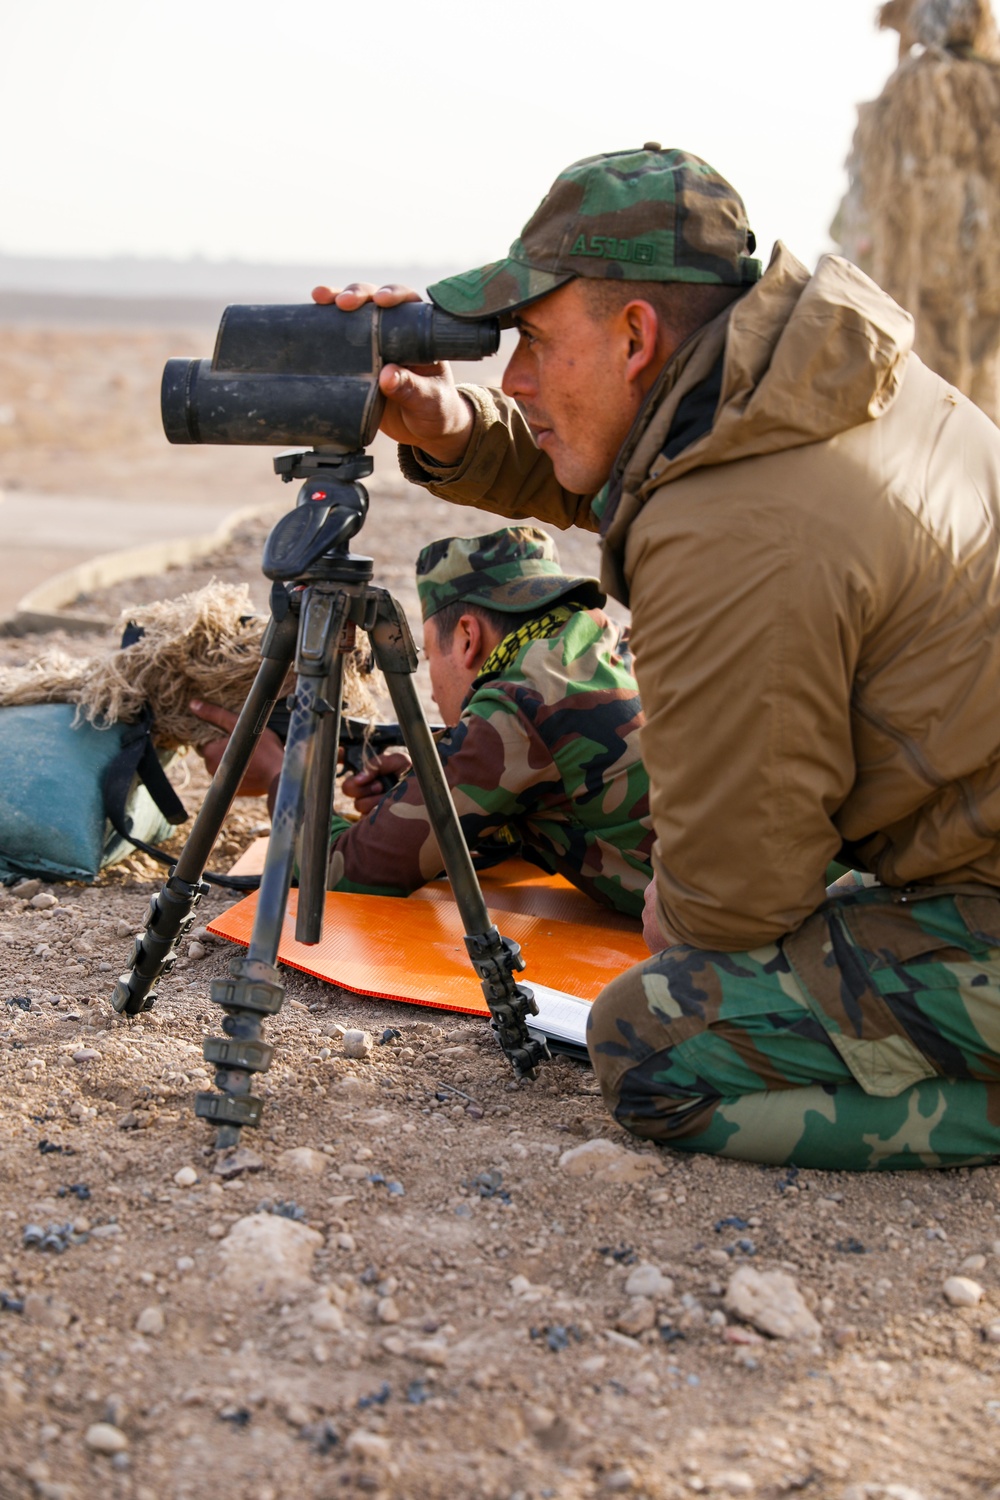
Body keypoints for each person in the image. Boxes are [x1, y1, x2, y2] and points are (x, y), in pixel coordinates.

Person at [313, 145, 1000, 1169]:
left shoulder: (735, 527)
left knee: (649, 1037)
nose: (516, 379)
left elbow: (730, 907)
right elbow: (625, 471)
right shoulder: (825, 391)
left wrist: (674, 906)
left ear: (636, 336)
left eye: (537, 343)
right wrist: (450, 424)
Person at [192, 524, 653, 917]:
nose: (430, 690)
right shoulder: (613, 645)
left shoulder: (520, 701)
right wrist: (421, 779)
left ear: (468, 638)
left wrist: (278, 773)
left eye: (429, 654)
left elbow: (340, 873)